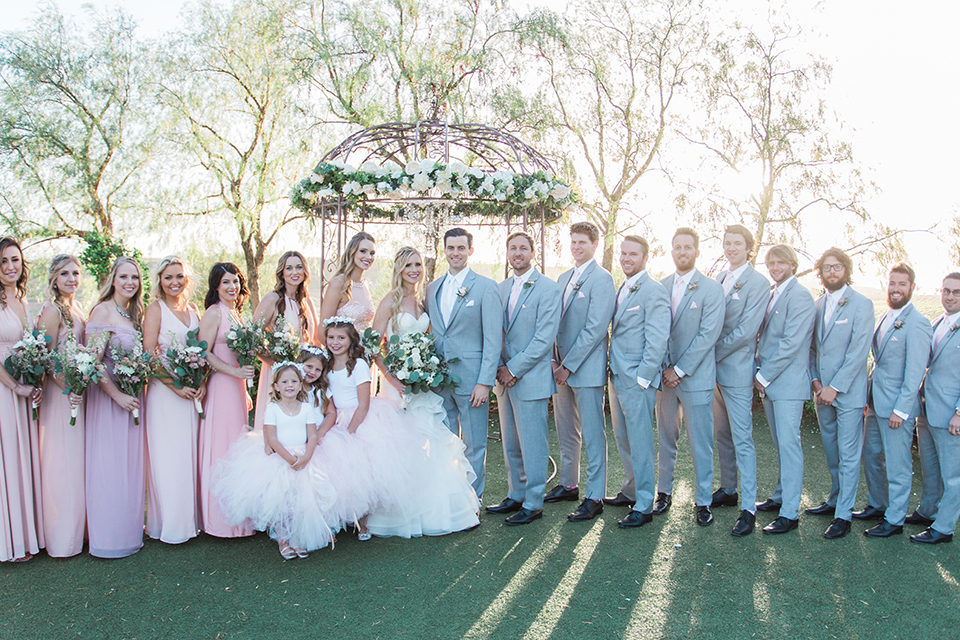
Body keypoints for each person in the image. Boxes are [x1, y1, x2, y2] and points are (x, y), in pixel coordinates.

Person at [366, 247, 481, 535]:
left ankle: (434, 511)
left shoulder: (423, 300)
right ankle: (401, 513)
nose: (414, 269)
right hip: (397, 387)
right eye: (408, 265)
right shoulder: (389, 302)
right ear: (399, 269)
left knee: (430, 443)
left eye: (417, 264)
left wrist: (428, 371)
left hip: (423, 386)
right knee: (401, 447)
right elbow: (371, 344)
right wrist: (392, 378)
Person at [313, 318, 424, 539]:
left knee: (364, 471)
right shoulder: (325, 364)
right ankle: (343, 516)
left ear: (351, 339)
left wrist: (349, 432)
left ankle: (363, 521)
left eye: (341, 338)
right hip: (336, 418)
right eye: (331, 338)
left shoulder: (358, 365)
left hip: (359, 419)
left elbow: (363, 404)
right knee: (339, 470)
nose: (335, 342)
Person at [214, 362, 336, 558]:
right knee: (281, 502)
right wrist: (290, 459)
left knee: (300, 502)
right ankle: (283, 540)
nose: (290, 385)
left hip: (304, 456)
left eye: (294, 381)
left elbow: (312, 435)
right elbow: (271, 438)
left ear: (300, 384)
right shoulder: (273, 408)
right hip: (280, 459)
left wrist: (306, 457)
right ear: (276, 386)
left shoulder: (305, 408)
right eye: (285, 381)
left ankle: (297, 539)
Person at [487, 232, 560, 526]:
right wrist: (499, 367)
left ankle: (533, 502)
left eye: (523, 248)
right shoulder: (500, 288)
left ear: (533, 252)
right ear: (507, 253)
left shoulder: (548, 289)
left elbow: (544, 338)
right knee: (511, 442)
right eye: (513, 248)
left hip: (529, 377)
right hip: (503, 379)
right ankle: (515, 493)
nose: (517, 252)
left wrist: (513, 368)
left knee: (533, 442)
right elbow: (494, 332)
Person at [424, 228, 502, 499]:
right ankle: (448, 496)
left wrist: (484, 382)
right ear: (444, 250)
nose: (455, 253)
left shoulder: (486, 287)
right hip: (438, 380)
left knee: (474, 442)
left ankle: (472, 498)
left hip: (472, 380)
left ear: (470, 250)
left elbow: (493, 340)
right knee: (443, 441)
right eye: (450, 248)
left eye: (460, 248)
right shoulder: (432, 288)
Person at [857, 263, 932, 538]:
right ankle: (878, 504)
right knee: (871, 454)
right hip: (876, 403)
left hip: (897, 408)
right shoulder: (885, 316)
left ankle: (895, 519)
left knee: (898, 463)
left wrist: (901, 410)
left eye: (902, 284)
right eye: (892, 283)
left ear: (912, 287)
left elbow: (915, 371)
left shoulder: (918, 322)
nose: (896, 289)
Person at [656, 228, 724, 527]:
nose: (682, 252)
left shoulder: (711, 289)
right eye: (677, 247)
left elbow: (708, 335)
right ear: (671, 251)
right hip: (664, 378)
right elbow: (657, 331)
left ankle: (703, 500)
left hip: (694, 377)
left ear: (697, 251)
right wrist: (663, 368)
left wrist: (679, 370)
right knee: (666, 438)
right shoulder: (661, 286)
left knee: (701, 442)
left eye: (688, 247)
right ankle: (663, 493)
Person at [548, 222, 616, 522]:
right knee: (566, 431)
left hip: (584, 369)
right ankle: (568, 483)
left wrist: (568, 366)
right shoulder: (563, 277)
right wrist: (552, 360)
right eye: (573, 242)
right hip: (559, 367)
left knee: (592, 432)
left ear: (594, 245)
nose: (576, 247)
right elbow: (551, 322)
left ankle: (595, 496)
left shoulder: (602, 279)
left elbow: (595, 328)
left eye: (582, 243)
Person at [806, 248, 874, 540]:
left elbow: (859, 351)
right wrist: (817, 382)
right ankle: (835, 499)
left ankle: (843, 515)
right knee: (832, 452)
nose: (831, 272)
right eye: (826, 268)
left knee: (848, 455)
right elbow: (810, 349)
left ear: (846, 270)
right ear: (820, 273)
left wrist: (836, 387)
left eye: (837, 267)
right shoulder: (817, 305)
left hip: (847, 394)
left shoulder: (862, 304)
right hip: (822, 394)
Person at [605, 236, 670, 529]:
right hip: (617, 376)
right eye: (623, 253)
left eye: (633, 254)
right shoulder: (625, 285)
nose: (626, 258)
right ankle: (630, 490)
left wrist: (643, 377)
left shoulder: (653, 290)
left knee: (641, 441)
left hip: (637, 380)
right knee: (624, 437)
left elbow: (657, 337)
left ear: (645, 257)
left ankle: (644, 505)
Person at [85, 256, 147, 558]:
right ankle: (108, 540)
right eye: (124, 277)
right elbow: (91, 364)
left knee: (129, 468)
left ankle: (129, 532)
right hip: (109, 402)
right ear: (113, 279)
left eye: (134, 277)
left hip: (133, 399)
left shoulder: (133, 314)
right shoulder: (103, 310)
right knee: (109, 468)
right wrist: (116, 395)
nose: (129, 283)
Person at [710, 225, 769, 537]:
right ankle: (728, 488)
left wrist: (708, 350)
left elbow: (746, 331)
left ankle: (749, 508)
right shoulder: (719, 277)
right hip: (713, 372)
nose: (731, 248)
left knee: (742, 438)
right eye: (727, 242)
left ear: (749, 248)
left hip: (735, 370)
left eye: (737, 243)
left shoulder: (758, 282)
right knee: (722, 434)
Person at [754, 244, 815, 535]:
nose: (775, 268)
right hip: (771, 383)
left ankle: (790, 513)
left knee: (790, 447)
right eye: (771, 263)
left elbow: (791, 343)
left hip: (787, 384)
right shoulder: (773, 293)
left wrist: (762, 376)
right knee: (780, 445)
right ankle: (780, 496)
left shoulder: (800, 296)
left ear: (793, 265)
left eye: (781, 263)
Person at [142, 256, 203, 544]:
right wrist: (175, 385)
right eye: (168, 277)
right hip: (165, 395)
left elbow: (201, 353)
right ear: (160, 281)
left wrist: (199, 381)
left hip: (189, 394)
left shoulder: (193, 310)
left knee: (187, 456)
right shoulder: (155, 310)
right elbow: (149, 354)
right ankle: (170, 526)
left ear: (186, 279)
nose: (174, 282)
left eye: (179, 276)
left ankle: (190, 521)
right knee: (168, 458)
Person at [197, 263, 256, 539]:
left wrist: (243, 388)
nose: (232, 287)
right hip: (221, 387)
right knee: (222, 447)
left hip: (236, 388)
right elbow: (203, 352)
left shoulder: (236, 314)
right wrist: (233, 373)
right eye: (225, 283)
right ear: (216, 287)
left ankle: (239, 514)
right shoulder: (213, 313)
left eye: (235, 282)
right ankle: (220, 521)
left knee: (237, 447)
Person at [36, 254, 86, 557]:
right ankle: (61, 539)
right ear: (54, 278)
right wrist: (68, 388)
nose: (71, 279)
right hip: (60, 396)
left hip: (77, 394)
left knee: (76, 464)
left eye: (76, 273)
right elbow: (45, 358)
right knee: (62, 464)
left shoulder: (77, 308)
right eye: (65, 274)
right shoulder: (52, 311)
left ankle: (78, 532)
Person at [0, 237, 42, 562]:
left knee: (22, 456)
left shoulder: (23, 301)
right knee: (7, 459)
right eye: (3, 261)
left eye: (15, 260)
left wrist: (34, 378)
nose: (11, 266)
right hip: (4, 387)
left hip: (24, 384)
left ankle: (26, 535)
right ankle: (9, 542)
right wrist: (15, 387)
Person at [910, 273, 960, 544]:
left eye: (956, 292)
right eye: (946, 291)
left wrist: (959, 413)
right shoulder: (937, 322)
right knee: (930, 467)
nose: (950, 296)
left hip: (951, 413)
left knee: (953, 475)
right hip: (927, 409)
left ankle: (943, 528)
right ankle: (928, 511)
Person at [252, 251, 318, 431]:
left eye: (299, 267)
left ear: (305, 272)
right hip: (278, 373)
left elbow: (316, 340)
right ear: (282, 272)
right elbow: (252, 339)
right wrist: (277, 365)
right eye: (289, 268)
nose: (294, 272)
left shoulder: (306, 301)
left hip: (304, 374)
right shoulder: (272, 299)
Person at [320, 232, 377, 331]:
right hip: (343, 346)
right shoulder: (338, 283)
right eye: (363, 251)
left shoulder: (365, 284)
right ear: (352, 252)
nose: (368, 257)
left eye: (372, 253)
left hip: (365, 346)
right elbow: (322, 331)